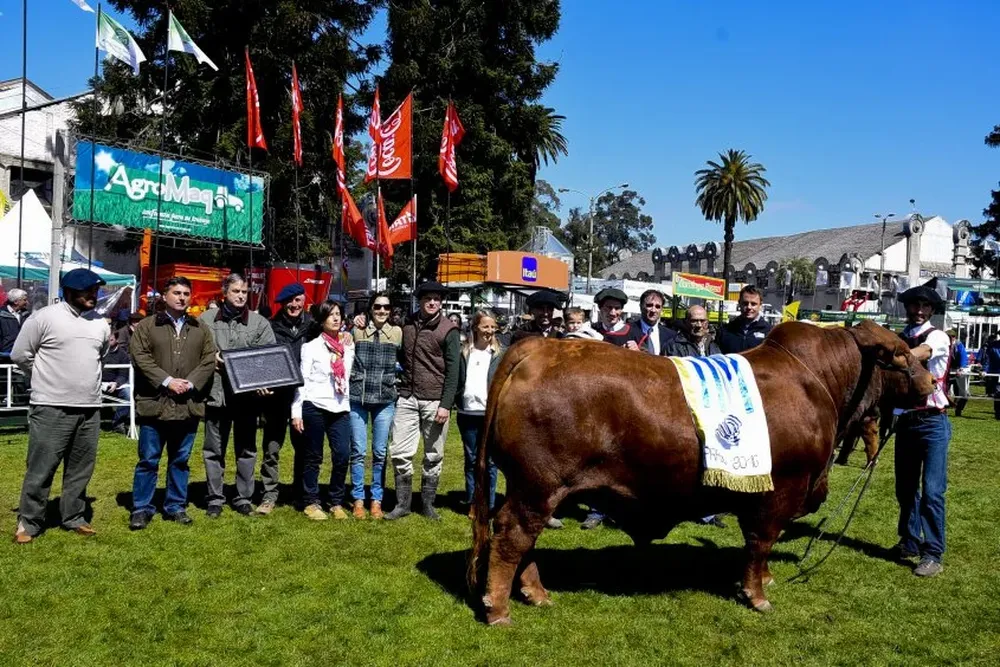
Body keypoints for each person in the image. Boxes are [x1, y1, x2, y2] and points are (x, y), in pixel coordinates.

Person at [11, 269, 110, 543]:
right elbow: (21, 355)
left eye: (96, 290)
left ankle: (74, 516)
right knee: (41, 468)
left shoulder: (101, 323)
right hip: (51, 406)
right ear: (69, 291)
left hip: (90, 408)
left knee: (80, 468)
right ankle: (29, 523)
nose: (94, 294)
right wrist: (43, 376)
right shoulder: (43, 318)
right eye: (88, 290)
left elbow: (99, 358)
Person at [127, 277, 217, 530]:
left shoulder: (199, 327)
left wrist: (189, 383)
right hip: (154, 404)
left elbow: (209, 360)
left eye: (186, 293)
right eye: (176, 292)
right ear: (164, 295)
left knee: (180, 459)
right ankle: (141, 508)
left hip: (188, 405)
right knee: (148, 460)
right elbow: (140, 357)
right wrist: (167, 381)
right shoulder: (147, 326)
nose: (181, 298)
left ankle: (176, 505)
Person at [199, 273, 276, 518]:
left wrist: (261, 380)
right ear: (224, 293)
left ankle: (243, 497)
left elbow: (268, 358)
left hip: (246, 398)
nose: (241, 295)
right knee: (213, 450)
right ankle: (215, 498)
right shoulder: (205, 320)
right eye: (236, 291)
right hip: (216, 394)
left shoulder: (259, 323)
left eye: (244, 291)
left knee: (246, 449)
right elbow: (195, 352)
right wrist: (212, 359)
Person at [385, 281, 460, 521]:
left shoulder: (449, 330)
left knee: (433, 454)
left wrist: (446, 404)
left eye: (436, 299)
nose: (432, 302)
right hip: (407, 396)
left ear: (441, 302)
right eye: (428, 298)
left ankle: (427, 504)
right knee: (399, 452)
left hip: (435, 400)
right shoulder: (406, 324)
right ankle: (403, 504)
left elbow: (454, 371)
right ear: (420, 300)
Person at [893, 280, 952, 577]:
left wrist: (889, 354)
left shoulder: (937, 336)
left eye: (924, 306)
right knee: (905, 490)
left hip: (932, 422)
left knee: (931, 491)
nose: (918, 310)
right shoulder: (901, 336)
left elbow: (920, 354)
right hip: (905, 421)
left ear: (931, 309)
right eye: (914, 305)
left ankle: (933, 553)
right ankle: (909, 541)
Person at [292, 300, 355, 520]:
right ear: (321, 320)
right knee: (313, 456)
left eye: (338, 314)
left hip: (340, 407)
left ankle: (336, 501)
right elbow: (303, 381)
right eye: (331, 315)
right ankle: (311, 501)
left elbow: (348, 377)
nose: (336, 318)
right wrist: (296, 412)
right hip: (314, 405)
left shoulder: (348, 345)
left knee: (342, 454)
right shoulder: (310, 347)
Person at [666, 305, 725, 528]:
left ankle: (707, 510)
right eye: (693, 320)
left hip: (711, 413)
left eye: (701, 320)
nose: (698, 324)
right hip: (684, 413)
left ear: (707, 322)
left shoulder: (715, 346)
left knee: (708, 461)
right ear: (686, 322)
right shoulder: (673, 346)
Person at [257, 283, 312, 516]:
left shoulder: (313, 326)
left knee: (304, 448)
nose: (294, 305)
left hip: (304, 397)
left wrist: (347, 335)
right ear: (282, 303)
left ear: (304, 301)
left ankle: (301, 493)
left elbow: (333, 338)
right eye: (290, 301)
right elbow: (260, 359)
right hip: (276, 397)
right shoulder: (271, 327)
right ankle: (269, 495)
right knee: (272, 448)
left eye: (298, 300)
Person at [348, 292, 402, 520]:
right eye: (378, 307)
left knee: (380, 452)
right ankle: (358, 498)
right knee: (358, 451)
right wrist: (353, 318)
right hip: (358, 397)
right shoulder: (356, 330)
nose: (382, 311)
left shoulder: (397, 333)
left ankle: (376, 500)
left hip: (385, 398)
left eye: (386, 308)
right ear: (370, 309)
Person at [457, 310, 504, 519]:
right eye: (486, 327)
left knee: (491, 462)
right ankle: (473, 501)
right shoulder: (464, 351)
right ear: (476, 327)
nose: (490, 331)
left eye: (493, 327)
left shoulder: (499, 353)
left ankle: (489, 503)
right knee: (472, 459)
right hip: (467, 412)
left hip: (490, 413)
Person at [718, 285, 772, 354]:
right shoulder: (725, 331)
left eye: (753, 304)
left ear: (760, 305)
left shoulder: (769, 332)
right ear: (739, 303)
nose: (749, 307)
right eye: (745, 303)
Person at [101, 327, 132, 434]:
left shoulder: (123, 355)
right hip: (98, 382)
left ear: (117, 340)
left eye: (111, 340)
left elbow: (123, 374)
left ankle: (118, 422)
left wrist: (116, 383)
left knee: (128, 395)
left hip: (115, 383)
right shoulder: (100, 352)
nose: (108, 342)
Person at [626, 289, 677, 355]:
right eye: (649, 305)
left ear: (661, 309)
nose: (653, 310)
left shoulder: (671, 336)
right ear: (641, 306)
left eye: (657, 307)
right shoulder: (627, 330)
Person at [0, 287, 29, 360]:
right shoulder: (1, 316)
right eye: (24, 300)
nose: (27, 302)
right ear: (16, 302)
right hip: (4, 358)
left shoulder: (26, 315)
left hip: (22, 357)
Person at [946, 330, 969, 418]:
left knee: (963, 395)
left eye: (951, 337)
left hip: (959, 371)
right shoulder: (944, 345)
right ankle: (942, 410)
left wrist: (961, 368)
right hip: (947, 372)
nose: (949, 339)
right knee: (942, 392)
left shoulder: (959, 345)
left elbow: (963, 357)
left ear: (954, 337)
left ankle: (958, 410)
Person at [980, 333, 1000, 420]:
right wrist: (984, 370)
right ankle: (998, 413)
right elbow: (987, 359)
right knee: (998, 393)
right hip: (996, 373)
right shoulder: (993, 346)